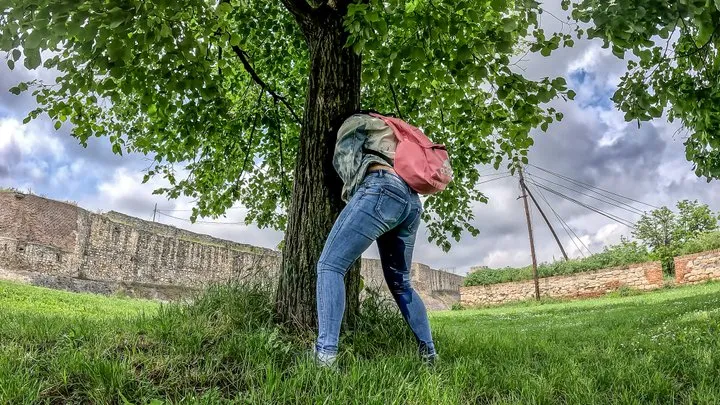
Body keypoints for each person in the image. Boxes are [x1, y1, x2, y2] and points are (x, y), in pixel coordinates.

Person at [314, 112, 437, 367]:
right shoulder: (391, 129)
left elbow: (345, 164)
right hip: (411, 202)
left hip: (381, 188)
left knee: (330, 266)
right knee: (402, 283)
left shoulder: (354, 122)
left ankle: (325, 357)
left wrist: (355, 204)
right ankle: (429, 355)